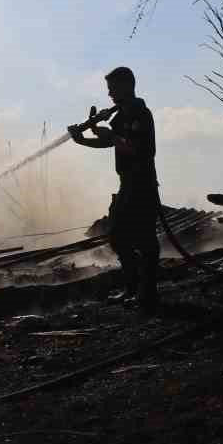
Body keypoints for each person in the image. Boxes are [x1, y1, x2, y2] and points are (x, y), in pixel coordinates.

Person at [69, 66, 161, 315]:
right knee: (118, 236)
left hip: (142, 183)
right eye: (108, 89)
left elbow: (139, 149)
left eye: (113, 88)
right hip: (127, 183)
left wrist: (112, 136)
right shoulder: (120, 115)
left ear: (127, 85)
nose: (109, 93)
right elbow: (110, 142)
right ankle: (133, 288)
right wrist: (83, 139)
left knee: (145, 239)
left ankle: (147, 294)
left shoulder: (140, 113)